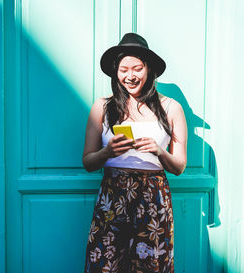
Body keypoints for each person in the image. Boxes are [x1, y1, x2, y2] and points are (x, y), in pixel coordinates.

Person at [83, 33, 187, 273]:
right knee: (104, 265)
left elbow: (179, 166)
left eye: (137, 68)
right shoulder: (102, 106)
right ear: (115, 72)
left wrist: (159, 151)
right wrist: (107, 152)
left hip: (153, 199)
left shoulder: (171, 108)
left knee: (151, 266)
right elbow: (88, 161)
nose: (130, 76)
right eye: (123, 70)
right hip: (112, 196)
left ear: (149, 69)